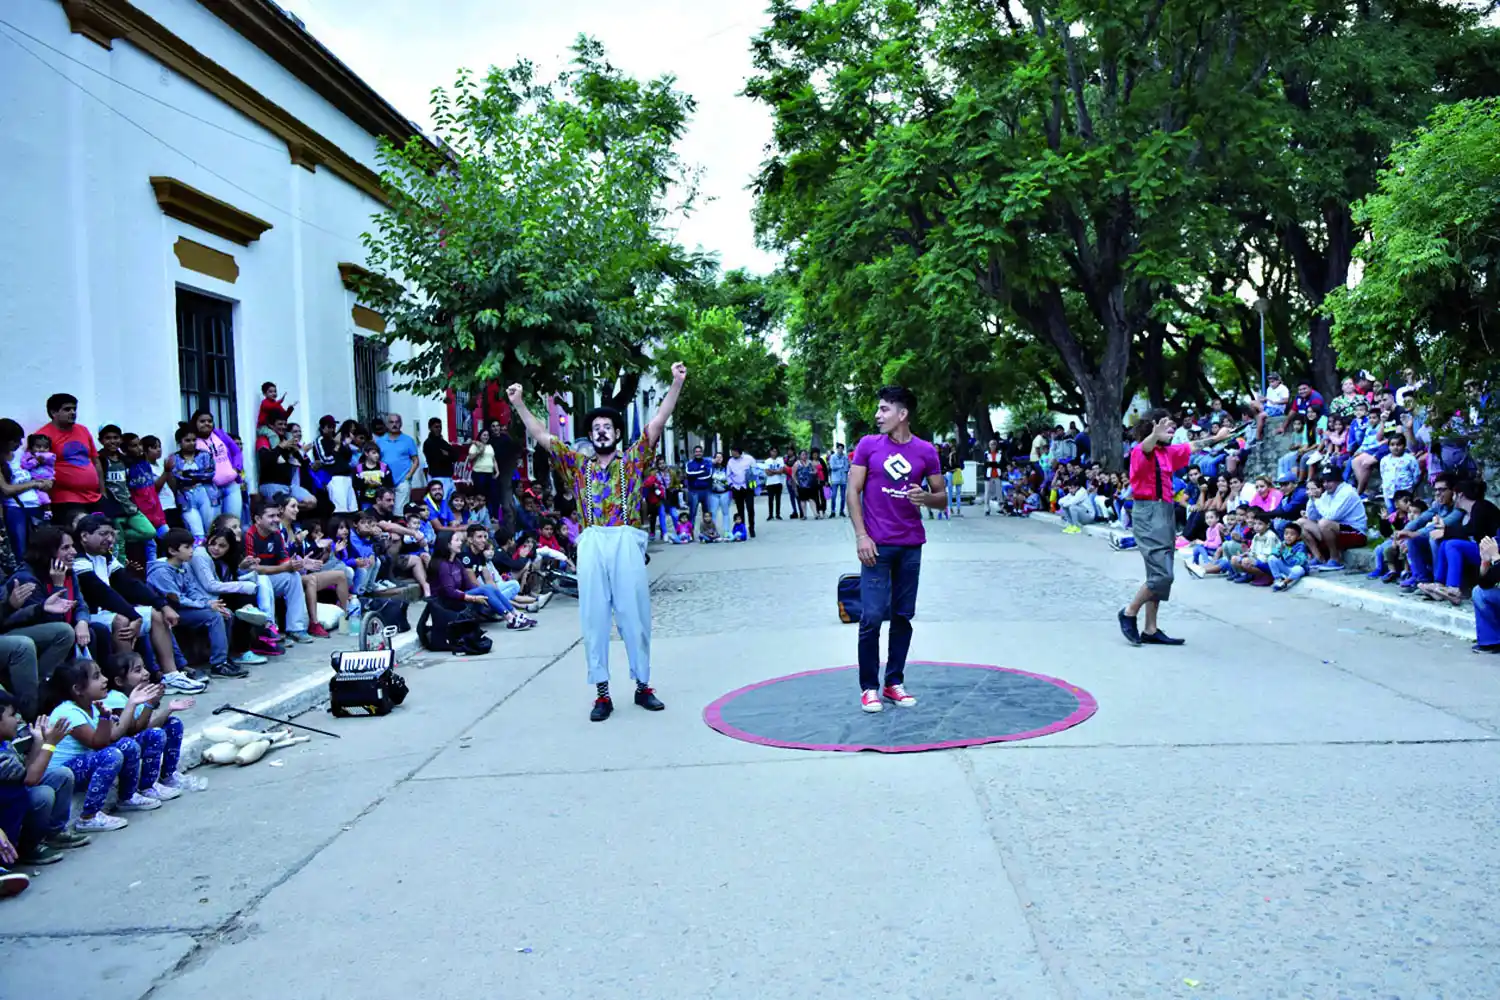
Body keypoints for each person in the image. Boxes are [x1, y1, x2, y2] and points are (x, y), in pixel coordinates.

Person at [506, 362, 685, 722]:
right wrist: (519, 404)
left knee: (634, 616)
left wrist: (676, 383)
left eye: (608, 427)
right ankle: (602, 693)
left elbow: (658, 421)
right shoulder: (577, 466)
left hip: (625, 541)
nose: (602, 432)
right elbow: (542, 436)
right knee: (594, 617)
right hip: (590, 542)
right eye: (596, 429)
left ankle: (643, 686)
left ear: (617, 433)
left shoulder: (633, 461)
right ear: (590, 436)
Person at [847, 386, 944, 713]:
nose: (878, 415)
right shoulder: (868, 446)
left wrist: (926, 498)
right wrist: (862, 536)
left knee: (902, 615)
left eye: (884, 409)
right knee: (872, 616)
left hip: (910, 545)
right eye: (878, 409)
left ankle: (894, 682)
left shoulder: (926, 451)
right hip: (876, 546)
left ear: (903, 414)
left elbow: (941, 497)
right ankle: (868, 687)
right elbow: (852, 491)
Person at [1118, 409, 1234, 646]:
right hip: (1147, 512)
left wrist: (1217, 438)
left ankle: (1150, 629)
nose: (1172, 429)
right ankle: (1129, 612)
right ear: (1153, 426)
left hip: (1165, 510)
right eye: (1167, 425)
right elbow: (1146, 447)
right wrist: (1154, 434)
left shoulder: (1167, 452)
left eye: (1172, 425)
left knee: (1159, 572)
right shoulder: (1141, 450)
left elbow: (1192, 446)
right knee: (1163, 575)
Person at [45, 658, 154, 830]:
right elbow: (99, 744)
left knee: (128, 745)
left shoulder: (93, 706)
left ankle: (127, 797)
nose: (105, 679)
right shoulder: (68, 712)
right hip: (64, 775)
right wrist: (104, 718)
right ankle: (88, 817)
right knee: (111, 755)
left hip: (85, 764)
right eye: (96, 676)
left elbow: (115, 735)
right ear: (78, 689)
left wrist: (132, 703)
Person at [148, 528, 252, 678]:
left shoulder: (183, 565)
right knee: (214, 616)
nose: (192, 550)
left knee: (226, 613)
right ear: (172, 551)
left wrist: (209, 602)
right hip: (169, 611)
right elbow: (178, 599)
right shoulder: (161, 572)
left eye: (192, 546)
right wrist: (206, 605)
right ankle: (218, 664)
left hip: (184, 608)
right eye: (187, 547)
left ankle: (223, 658)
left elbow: (192, 590)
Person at [0, 691, 87, 868]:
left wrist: (40, 740)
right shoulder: (2, 757)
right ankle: (28, 848)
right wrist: (51, 744)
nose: (18, 720)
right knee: (43, 795)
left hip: (15, 798)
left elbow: (25, 771)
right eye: (12, 715)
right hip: (7, 811)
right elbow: (30, 779)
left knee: (61, 775)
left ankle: (55, 834)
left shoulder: (4, 742)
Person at [100, 651, 202, 799]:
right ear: (119, 681)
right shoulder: (116, 699)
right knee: (155, 734)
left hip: (136, 740)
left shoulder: (138, 694)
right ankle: (147, 786)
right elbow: (135, 729)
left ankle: (169, 775)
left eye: (144, 667)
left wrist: (169, 709)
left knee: (173, 723)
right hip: (124, 749)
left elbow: (149, 724)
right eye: (138, 670)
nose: (146, 673)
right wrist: (149, 704)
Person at [244, 497, 324, 641]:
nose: (276, 520)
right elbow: (253, 569)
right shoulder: (249, 535)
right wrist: (284, 567)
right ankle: (269, 629)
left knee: (294, 577)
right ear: (258, 519)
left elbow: (286, 562)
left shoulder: (276, 535)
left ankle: (296, 628)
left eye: (277, 515)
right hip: (251, 581)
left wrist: (299, 564)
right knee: (263, 579)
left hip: (269, 577)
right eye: (271, 516)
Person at [35, 393, 102, 525]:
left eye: (74, 409)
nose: (73, 412)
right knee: (84, 527)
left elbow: (96, 461)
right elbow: (38, 470)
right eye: (67, 409)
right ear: (53, 412)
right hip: (65, 498)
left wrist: (102, 491)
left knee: (106, 528)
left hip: (93, 496)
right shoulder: (42, 436)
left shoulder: (83, 430)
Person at [1298, 468, 1368, 571]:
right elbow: (1312, 517)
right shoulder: (1328, 494)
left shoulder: (1347, 492)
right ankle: (1319, 557)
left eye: (1329, 481)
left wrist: (1317, 501)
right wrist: (1312, 499)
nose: (1326, 484)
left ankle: (1335, 559)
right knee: (1300, 523)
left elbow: (1331, 516)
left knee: (1324, 523)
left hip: (1356, 532)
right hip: (1337, 529)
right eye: (1324, 481)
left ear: (1339, 481)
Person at [191, 410, 244, 521]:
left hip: (231, 486)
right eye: (202, 421)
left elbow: (236, 451)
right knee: (214, 525)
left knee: (233, 522)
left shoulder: (220, 434)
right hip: (210, 490)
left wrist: (237, 469)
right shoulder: (192, 441)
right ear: (195, 423)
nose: (206, 423)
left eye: (209, 421)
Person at [377, 414, 420, 512]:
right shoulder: (380, 441)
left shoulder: (408, 440)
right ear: (387, 424)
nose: (394, 425)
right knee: (386, 510)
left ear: (401, 424)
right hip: (385, 481)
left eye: (397, 422)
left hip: (402, 480)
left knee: (400, 511)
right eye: (391, 422)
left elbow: (415, 460)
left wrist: (408, 476)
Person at [726, 445, 758, 539]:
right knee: (740, 510)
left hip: (747, 487)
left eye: (734, 452)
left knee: (750, 508)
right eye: (732, 452)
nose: (733, 454)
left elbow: (755, 471)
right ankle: (742, 528)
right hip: (736, 487)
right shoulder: (730, 461)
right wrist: (731, 485)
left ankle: (751, 527)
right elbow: (728, 474)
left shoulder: (749, 459)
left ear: (739, 451)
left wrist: (753, 481)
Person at [423, 418, 456, 501]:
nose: (439, 429)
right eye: (436, 427)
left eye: (440, 427)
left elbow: (455, 456)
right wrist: (448, 455)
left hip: (448, 477)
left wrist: (448, 455)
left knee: (451, 501)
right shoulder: (428, 443)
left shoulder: (442, 442)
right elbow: (437, 459)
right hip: (437, 477)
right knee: (440, 501)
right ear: (430, 428)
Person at [684, 445, 713, 529]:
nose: (698, 453)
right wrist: (702, 471)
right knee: (692, 513)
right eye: (696, 452)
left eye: (700, 451)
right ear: (694, 453)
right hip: (694, 491)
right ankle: (690, 532)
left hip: (706, 491)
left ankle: (707, 531)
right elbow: (689, 474)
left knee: (707, 514)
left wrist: (696, 475)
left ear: (702, 453)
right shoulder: (689, 463)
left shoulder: (707, 462)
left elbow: (708, 475)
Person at [761, 447, 786, 520]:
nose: (774, 453)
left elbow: (781, 471)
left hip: (778, 482)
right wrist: (776, 471)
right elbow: (767, 473)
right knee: (770, 499)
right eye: (773, 451)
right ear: (770, 452)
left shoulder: (780, 460)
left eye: (775, 451)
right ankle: (770, 515)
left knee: (778, 499)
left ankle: (778, 514)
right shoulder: (767, 461)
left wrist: (772, 471)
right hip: (770, 483)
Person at [981, 439, 1004, 514]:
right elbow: (985, 464)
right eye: (991, 444)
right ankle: (987, 508)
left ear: (996, 445)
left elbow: (1001, 464)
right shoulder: (986, 453)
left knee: (999, 492)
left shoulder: (999, 453)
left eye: (994, 444)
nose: (993, 446)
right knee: (987, 492)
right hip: (988, 475)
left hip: (998, 474)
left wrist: (991, 463)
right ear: (989, 445)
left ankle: (1001, 507)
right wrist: (995, 464)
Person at [827, 443, 850, 517]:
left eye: (841, 448)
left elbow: (846, 468)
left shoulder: (845, 457)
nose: (840, 450)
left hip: (843, 479)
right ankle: (833, 511)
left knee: (843, 496)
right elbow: (832, 467)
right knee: (833, 495)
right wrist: (840, 466)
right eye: (839, 448)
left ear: (843, 449)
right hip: (835, 479)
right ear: (837, 449)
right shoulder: (833, 457)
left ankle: (841, 511)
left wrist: (842, 467)